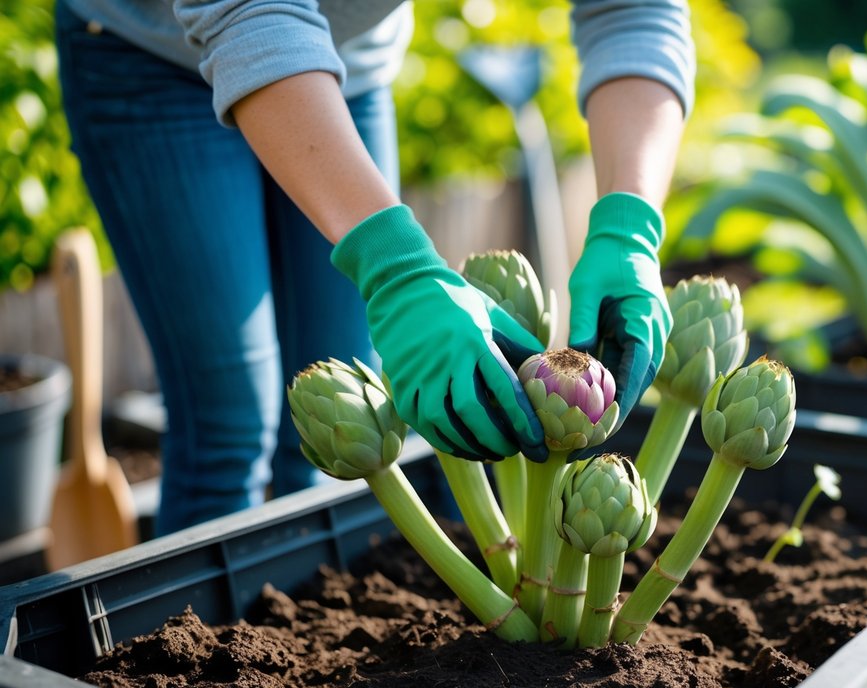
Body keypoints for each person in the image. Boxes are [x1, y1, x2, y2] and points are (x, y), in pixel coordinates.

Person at [54, 0, 694, 535]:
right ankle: (187, 667)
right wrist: (396, 269)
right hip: (154, 57)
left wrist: (630, 227)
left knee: (343, 416)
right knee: (231, 423)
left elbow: (635, 10)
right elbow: (247, 10)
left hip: (347, 65)